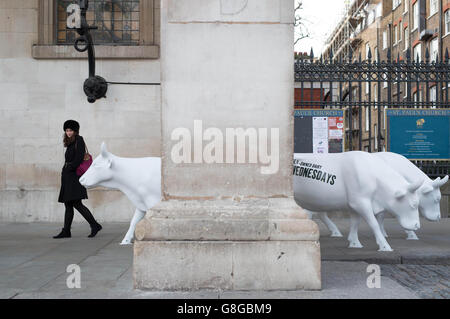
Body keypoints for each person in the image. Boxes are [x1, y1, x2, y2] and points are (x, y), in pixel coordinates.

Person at [53, 120, 102, 239]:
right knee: (68, 204)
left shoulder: (78, 140)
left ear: (75, 131)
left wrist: (70, 167)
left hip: (74, 176)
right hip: (68, 176)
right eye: (67, 130)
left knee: (76, 203)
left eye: (71, 130)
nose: (68, 132)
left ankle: (94, 225)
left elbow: (79, 157)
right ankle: (66, 231)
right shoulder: (69, 142)